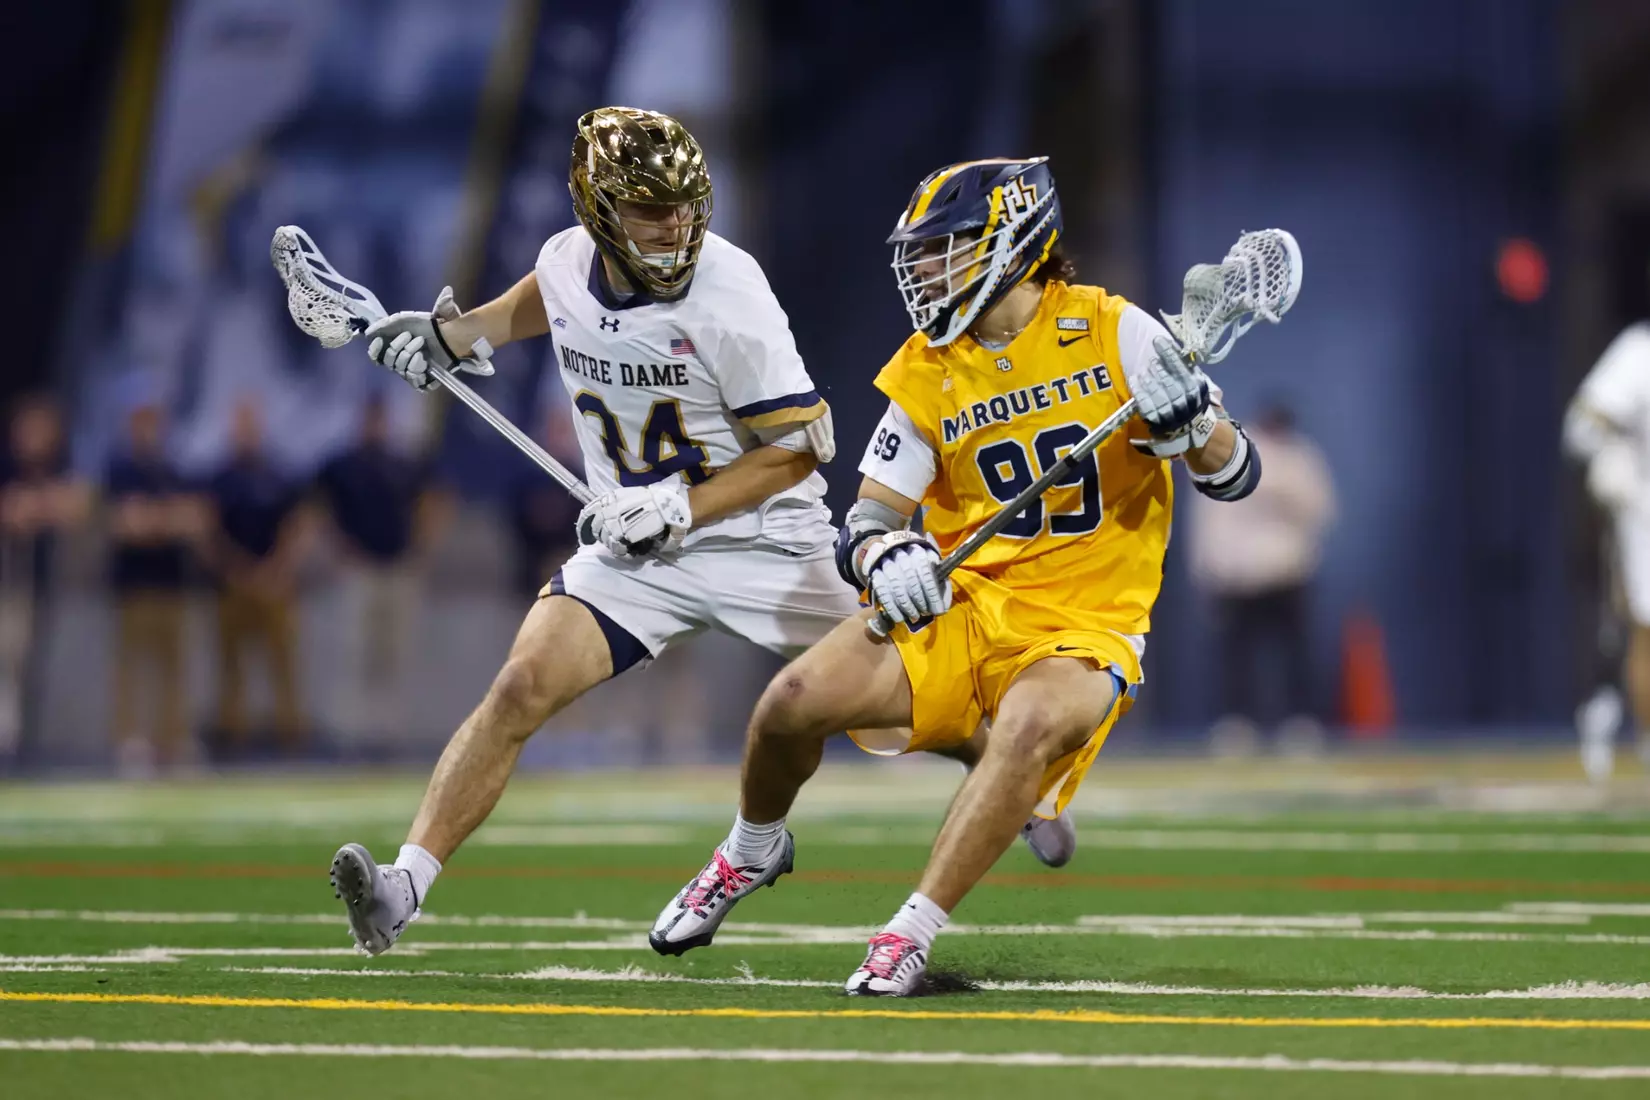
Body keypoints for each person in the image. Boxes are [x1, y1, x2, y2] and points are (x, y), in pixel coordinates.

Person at [326, 109, 1081, 957]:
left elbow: (799, 449)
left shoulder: (729, 292)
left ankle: (1024, 780)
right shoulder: (566, 260)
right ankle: (402, 887)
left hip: (766, 542)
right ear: (598, 210)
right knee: (519, 688)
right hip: (633, 554)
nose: (675, 226)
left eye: (685, 206)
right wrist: (455, 336)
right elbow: (552, 295)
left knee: (901, 708)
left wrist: (678, 506)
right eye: (652, 211)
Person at [651, 157, 1264, 994]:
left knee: (1024, 731)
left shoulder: (1117, 330)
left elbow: (1234, 472)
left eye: (949, 248)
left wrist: (1195, 424)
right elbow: (868, 521)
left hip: (1083, 622)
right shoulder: (928, 365)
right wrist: (885, 557)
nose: (929, 269)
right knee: (791, 704)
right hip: (968, 604)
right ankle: (750, 852)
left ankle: (910, 930)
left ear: (1015, 242)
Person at [1186, 401, 1334, 751]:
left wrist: (1278, 488)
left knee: (1295, 653)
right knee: (1236, 656)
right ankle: (1237, 725)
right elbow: (1209, 517)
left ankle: (1301, 723)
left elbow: (1320, 510)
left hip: (1286, 573)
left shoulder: (1300, 457)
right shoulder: (1230, 451)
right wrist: (1208, 567)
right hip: (1238, 576)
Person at [317, 393, 446, 753]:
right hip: (360, 568)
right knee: (353, 650)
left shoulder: (402, 463)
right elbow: (318, 507)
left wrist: (421, 548)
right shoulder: (344, 464)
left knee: (392, 653)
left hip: (397, 568)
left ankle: (388, 732)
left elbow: (434, 500)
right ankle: (349, 732)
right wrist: (336, 549)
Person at [1564, 281, 1650, 780]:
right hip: (1644, 509)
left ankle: (1605, 701)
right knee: (1644, 624)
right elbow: (1582, 425)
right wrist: (1612, 460)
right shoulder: (1639, 352)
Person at [206, 399, 311, 757]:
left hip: (274, 583)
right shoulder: (220, 477)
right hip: (232, 583)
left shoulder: (278, 474)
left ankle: (289, 735)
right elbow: (207, 529)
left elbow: (296, 526)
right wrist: (234, 569)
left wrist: (276, 569)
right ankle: (233, 736)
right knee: (231, 664)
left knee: (282, 662)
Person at [104, 400, 199, 774]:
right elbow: (128, 524)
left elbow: (194, 518)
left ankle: (171, 739)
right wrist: (166, 520)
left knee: (173, 666)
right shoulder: (121, 468)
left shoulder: (171, 469)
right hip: (134, 583)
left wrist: (156, 520)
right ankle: (131, 740)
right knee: (133, 666)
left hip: (171, 582)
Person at [0, 394, 88, 761]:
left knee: (40, 667)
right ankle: (7, 742)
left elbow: (77, 505)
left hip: (50, 585)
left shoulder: (62, 464)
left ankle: (28, 745)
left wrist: (40, 506)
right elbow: (13, 514)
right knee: (8, 661)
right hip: (9, 584)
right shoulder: (7, 466)